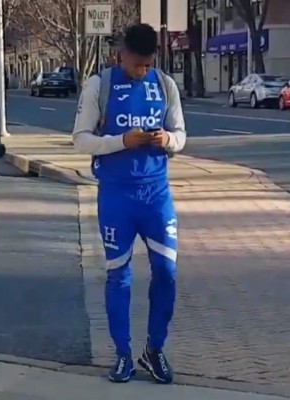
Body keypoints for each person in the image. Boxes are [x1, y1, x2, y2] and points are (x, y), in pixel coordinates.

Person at [72, 23, 187, 385]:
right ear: (122, 52)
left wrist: (167, 138)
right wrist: (123, 140)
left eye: (148, 62)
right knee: (118, 276)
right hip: (117, 196)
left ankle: (154, 350)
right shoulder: (100, 85)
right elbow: (80, 141)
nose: (142, 68)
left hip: (157, 195)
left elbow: (181, 135)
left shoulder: (165, 85)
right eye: (137, 62)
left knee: (166, 274)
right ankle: (122, 354)